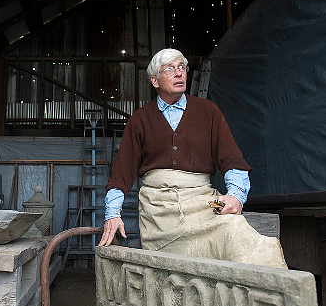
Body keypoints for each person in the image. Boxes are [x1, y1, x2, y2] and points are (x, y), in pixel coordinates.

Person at [98, 48, 286, 269]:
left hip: (202, 201)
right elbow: (121, 174)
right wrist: (112, 214)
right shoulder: (140, 120)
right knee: (173, 266)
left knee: (237, 233)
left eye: (181, 67)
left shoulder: (208, 111)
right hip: (159, 208)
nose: (179, 73)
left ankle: (270, 294)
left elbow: (232, 159)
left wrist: (236, 195)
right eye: (170, 69)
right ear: (155, 81)